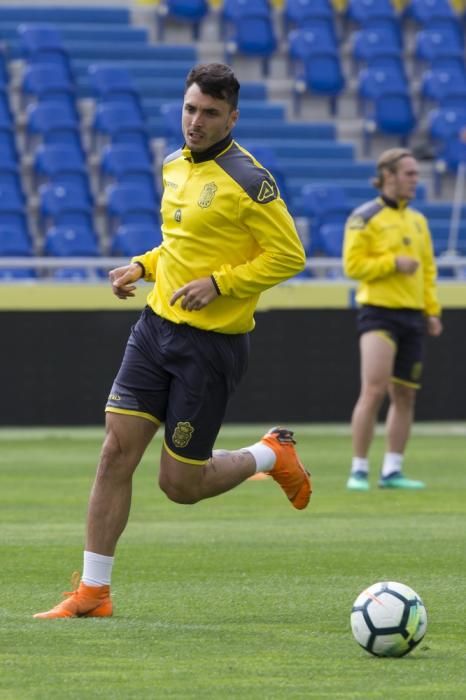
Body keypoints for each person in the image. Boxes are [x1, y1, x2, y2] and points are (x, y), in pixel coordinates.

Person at [34, 63, 312, 619]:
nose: (196, 121)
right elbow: (179, 245)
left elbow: (290, 255)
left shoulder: (249, 180)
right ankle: (93, 592)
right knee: (115, 452)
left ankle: (269, 453)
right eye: (190, 109)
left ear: (232, 117)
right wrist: (141, 266)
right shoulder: (173, 166)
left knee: (180, 485)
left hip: (210, 348)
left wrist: (220, 284)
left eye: (209, 113)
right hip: (154, 331)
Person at [343, 148, 443, 492]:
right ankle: (358, 469)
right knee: (373, 390)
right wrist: (392, 263)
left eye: (417, 173)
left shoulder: (418, 221)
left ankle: (392, 470)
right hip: (379, 313)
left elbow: (428, 271)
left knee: (405, 396)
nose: (416, 180)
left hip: (413, 316)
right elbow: (352, 266)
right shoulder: (364, 217)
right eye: (410, 173)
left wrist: (432, 310)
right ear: (388, 175)